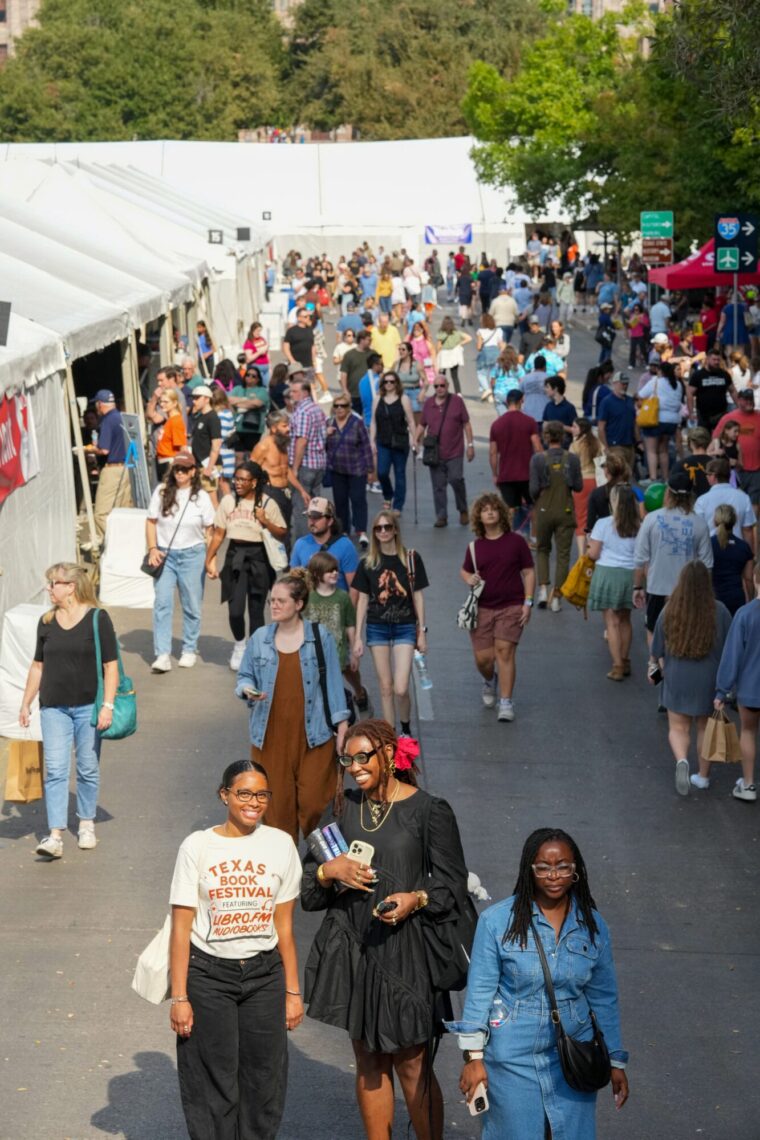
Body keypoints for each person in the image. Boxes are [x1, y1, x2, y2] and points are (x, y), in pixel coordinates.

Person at [302, 720, 470, 1140]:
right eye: (348, 759)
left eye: (364, 757)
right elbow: (309, 884)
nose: (354, 767)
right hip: (355, 947)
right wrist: (328, 870)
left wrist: (417, 898)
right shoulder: (343, 807)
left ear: (390, 755)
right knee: (370, 1060)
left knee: (412, 1061)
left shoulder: (430, 810)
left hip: (406, 951)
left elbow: (452, 884)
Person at [454, 827, 628, 1137]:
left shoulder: (592, 925)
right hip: (511, 1054)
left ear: (575, 871)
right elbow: (480, 991)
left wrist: (616, 1060)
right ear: (529, 870)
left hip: (575, 1052)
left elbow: (604, 997)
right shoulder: (496, 921)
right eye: (543, 867)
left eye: (563, 866)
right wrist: (473, 1058)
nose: (553, 875)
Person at [169, 758, 303, 1140]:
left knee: (265, 1079)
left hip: (265, 976)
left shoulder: (281, 844)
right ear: (224, 795)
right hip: (208, 976)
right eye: (244, 793)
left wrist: (293, 992)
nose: (253, 802)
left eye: (262, 794)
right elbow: (181, 929)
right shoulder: (197, 846)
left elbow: (285, 928)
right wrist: (180, 997)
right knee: (213, 1079)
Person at [235, 572, 350, 841]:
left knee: (315, 807)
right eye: (271, 600)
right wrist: (246, 689)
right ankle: (287, 876)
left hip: (315, 738)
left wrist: (342, 726)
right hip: (270, 740)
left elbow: (334, 682)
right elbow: (244, 677)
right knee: (276, 814)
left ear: (298, 604)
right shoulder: (260, 637)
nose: (273, 605)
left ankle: (319, 872)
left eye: (280, 600)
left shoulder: (320, 637)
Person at [19, 563, 118, 859]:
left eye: (54, 583)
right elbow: (38, 666)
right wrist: (25, 702)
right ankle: (55, 835)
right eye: (49, 584)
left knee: (87, 767)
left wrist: (107, 706)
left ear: (71, 587)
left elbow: (110, 666)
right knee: (56, 770)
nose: (49, 589)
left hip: (89, 706)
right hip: (53, 708)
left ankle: (86, 823)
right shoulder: (46, 621)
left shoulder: (98, 619)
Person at [649, 561, 732, 795]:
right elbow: (730, 647)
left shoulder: (670, 609)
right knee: (705, 728)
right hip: (709, 679)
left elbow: (656, 647)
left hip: (677, 676)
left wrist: (653, 665)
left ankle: (682, 761)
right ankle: (703, 776)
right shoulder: (720, 611)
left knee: (678, 727)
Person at [206, 461, 287, 671]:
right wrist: (209, 559)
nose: (238, 483)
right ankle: (240, 645)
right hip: (235, 556)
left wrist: (265, 521)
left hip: (260, 557)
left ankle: (255, 651)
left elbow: (282, 532)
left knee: (257, 611)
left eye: (243, 479)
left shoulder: (267, 503)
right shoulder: (229, 502)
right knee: (235, 610)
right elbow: (218, 534)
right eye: (237, 478)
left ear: (255, 482)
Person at [461, 493, 535, 723]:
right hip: (482, 608)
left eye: (494, 509)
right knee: (484, 659)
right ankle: (489, 679)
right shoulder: (475, 547)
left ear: (501, 513)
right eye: (485, 510)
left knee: (504, 651)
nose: (490, 512)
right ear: (479, 517)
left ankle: (506, 701)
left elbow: (529, 571)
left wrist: (528, 602)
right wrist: (468, 578)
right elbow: (464, 570)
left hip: (511, 606)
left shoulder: (516, 541)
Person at [353, 511, 428, 735]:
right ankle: (390, 734)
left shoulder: (411, 558)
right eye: (378, 528)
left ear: (395, 529)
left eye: (387, 527)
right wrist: (357, 636)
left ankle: (405, 727)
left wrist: (422, 632)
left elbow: (418, 596)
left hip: (405, 625)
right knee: (385, 687)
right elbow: (363, 599)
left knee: (401, 687)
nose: (383, 531)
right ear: (374, 533)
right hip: (377, 626)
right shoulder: (367, 562)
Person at [145, 454, 215, 672]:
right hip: (165, 555)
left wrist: (210, 559)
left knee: (192, 604)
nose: (180, 473)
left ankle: (189, 648)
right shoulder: (162, 491)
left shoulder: (201, 497)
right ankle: (162, 653)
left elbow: (210, 530)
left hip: (193, 554)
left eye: (185, 469)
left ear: (193, 471)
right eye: (177, 469)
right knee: (162, 603)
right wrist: (152, 548)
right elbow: (151, 521)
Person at [633, 472, 713, 646]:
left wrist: (637, 586)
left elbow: (640, 558)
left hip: (657, 588)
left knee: (653, 631)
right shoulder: (699, 523)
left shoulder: (651, 519)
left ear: (668, 493)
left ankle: (656, 668)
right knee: (683, 632)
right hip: (687, 590)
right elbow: (707, 565)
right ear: (691, 495)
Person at [713, 561, 760, 801]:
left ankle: (749, 784)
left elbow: (732, 655)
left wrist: (722, 691)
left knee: (749, 731)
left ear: (755, 580)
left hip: (751, 690)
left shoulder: (744, 614)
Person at [302, 553, 369, 712]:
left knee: (351, 673)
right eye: (329, 571)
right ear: (317, 574)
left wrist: (354, 651)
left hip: (339, 650)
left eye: (336, 570)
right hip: (315, 652)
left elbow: (349, 625)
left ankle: (359, 693)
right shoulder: (308, 598)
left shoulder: (342, 597)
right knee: (326, 689)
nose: (334, 573)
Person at [587, 484, 640, 680]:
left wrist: (588, 545)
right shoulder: (638, 526)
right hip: (630, 574)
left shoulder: (603, 524)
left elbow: (593, 553)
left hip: (607, 574)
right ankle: (626, 661)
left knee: (612, 622)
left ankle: (617, 665)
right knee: (626, 620)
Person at [529, 422, 583, 611]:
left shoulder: (537, 459)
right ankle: (557, 597)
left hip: (544, 511)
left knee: (543, 549)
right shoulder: (573, 459)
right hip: (565, 510)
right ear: (562, 437)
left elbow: (533, 490)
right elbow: (578, 486)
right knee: (563, 554)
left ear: (545, 437)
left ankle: (543, 588)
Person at [415, 375, 474, 528]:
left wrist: (471, 445)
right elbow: (422, 425)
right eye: (436, 386)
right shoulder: (428, 404)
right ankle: (441, 516)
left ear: (448, 386)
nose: (439, 388)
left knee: (456, 479)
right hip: (435, 453)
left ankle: (463, 509)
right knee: (438, 486)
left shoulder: (457, 401)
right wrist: (415, 439)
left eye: (442, 385)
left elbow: (466, 424)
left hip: (455, 451)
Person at [489, 389, 541, 532]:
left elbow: (493, 453)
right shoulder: (529, 422)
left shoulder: (497, 424)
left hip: (506, 474)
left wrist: (495, 474)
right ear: (521, 400)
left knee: (510, 508)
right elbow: (537, 447)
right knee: (533, 506)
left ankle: (509, 537)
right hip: (527, 474)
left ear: (507, 402)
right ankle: (534, 537)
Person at [85, 390, 133, 543]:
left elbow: (104, 449)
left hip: (113, 469)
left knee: (101, 513)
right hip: (127, 467)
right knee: (124, 511)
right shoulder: (121, 417)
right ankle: (129, 541)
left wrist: (90, 449)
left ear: (100, 404)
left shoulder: (106, 421)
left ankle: (117, 543)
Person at [325, 395, 373, 546]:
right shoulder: (329, 423)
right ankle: (343, 530)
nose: (339, 408)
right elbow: (322, 446)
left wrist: (371, 470)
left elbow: (366, 447)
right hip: (337, 470)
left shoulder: (357, 423)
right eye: (337, 405)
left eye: (343, 406)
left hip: (356, 470)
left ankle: (361, 531)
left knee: (358, 499)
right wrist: (325, 434)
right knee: (340, 501)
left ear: (349, 407)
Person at [371, 372, 417, 516]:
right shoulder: (378, 398)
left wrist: (415, 440)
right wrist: (371, 441)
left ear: (396, 383)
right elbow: (373, 421)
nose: (389, 384)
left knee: (400, 474)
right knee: (382, 472)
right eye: (386, 382)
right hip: (383, 441)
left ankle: (398, 506)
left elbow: (410, 420)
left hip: (400, 442)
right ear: (383, 384)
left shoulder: (404, 399)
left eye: (392, 381)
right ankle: (388, 494)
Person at [288, 376, 327, 540]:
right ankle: (318, 539)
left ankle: (304, 545)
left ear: (304, 392)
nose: (291, 394)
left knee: (301, 509)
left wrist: (295, 468)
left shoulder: (303, 412)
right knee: (315, 507)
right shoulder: (316, 408)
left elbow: (301, 441)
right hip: (318, 463)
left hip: (305, 465)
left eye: (295, 391)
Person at [291, 497, 359, 592]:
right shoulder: (300, 544)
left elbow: (354, 588)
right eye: (309, 516)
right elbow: (293, 583)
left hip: (337, 605)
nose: (312, 521)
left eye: (317, 517)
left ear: (330, 521)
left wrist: (351, 607)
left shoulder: (346, 546)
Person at [713, 389, 760, 519]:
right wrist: (718, 451)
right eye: (746, 399)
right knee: (733, 502)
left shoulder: (759, 416)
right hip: (734, 471)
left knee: (754, 502)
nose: (750, 402)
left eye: (751, 399)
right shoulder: (729, 417)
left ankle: (752, 532)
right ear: (739, 400)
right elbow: (716, 436)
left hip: (756, 469)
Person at [636, 361, 683, 482]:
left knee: (651, 450)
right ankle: (666, 478)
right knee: (664, 450)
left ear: (660, 371)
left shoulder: (655, 381)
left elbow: (641, 395)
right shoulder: (678, 384)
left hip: (656, 420)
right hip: (671, 422)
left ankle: (653, 478)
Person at [695, 458, 756, 551]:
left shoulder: (702, 501)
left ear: (713, 476)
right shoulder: (744, 497)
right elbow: (747, 530)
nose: (706, 477)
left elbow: (698, 532)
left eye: (707, 474)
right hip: (737, 553)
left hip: (711, 552)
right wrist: (750, 556)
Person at [709, 504, 754, 616]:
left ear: (715, 521)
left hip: (713, 598)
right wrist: (750, 601)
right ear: (735, 521)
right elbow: (748, 579)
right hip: (736, 599)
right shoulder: (744, 547)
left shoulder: (708, 544)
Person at [569, 417, 603, 556]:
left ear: (581, 429)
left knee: (580, 517)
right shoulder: (596, 442)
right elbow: (602, 461)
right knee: (593, 516)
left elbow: (570, 467)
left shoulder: (575, 445)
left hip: (581, 482)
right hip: (595, 481)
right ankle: (593, 550)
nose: (572, 429)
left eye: (574, 427)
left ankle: (582, 555)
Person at [687, 348, 737, 431]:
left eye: (718, 360)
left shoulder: (724, 374)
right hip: (703, 415)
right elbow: (689, 393)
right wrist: (691, 413)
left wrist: (739, 407)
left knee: (720, 439)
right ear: (707, 359)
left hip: (721, 414)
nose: (717, 362)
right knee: (704, 439)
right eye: (714, 359)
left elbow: (733, 391)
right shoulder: (698, 375)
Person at [597, 372, 637, 471]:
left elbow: (634, 423)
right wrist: (606, 448)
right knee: (619, 475)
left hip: (629, 445)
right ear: (614, 383)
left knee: (628, 475)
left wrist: (638, 441)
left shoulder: (630, 400)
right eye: (622, 383)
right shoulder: (607, 402)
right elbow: (601, 427)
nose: (625, 386)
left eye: (626, 384)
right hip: (615, 446)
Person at [228, 366, 270, 462]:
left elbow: (256, 403)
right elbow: (229, 400)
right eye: (248, 375)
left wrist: (238, 403)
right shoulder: (238, 388)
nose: (249, 377)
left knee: (251, 457)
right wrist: (246, 400)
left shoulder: (262, 391)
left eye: (253, 376)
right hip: (238, 428)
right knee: (238, 456)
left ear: (258, 379)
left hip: (253, 430)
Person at [189, 385, 222, 500]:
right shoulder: (201, 417)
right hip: (199, 464)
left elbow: (216, 444)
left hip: (207, 464)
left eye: (197, 398)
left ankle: (217, 519)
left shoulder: (212, 418)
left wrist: (210, 467)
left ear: (207, 399)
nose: (194, 401)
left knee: (211, 499)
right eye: (193, 398)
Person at [154, 389, 188, 480]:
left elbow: (182, 447)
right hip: (163, 461)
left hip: (170, 462)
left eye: (166, 402)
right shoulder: (170, 419)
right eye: (161, 401)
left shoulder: (176, 421)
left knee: (170, 492)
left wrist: (181, 468)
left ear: (174, 403)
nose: (162, 404)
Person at [670, 426, 711, 497]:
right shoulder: (717, 464)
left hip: (687, 505)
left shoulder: (680, 465)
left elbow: (673, 491)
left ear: (691, 443)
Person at [435, 316, 471, 395]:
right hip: (454, 356)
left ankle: (442, 391)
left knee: (442, 375)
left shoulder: (441, 333)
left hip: (444, 355)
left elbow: (438, 346)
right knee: (454, 376)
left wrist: (436, 356)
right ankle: (458, 393)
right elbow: (469, 338)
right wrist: (459, 344)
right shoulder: (457, 332)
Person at [340, 329, 373, 414]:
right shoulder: (349, 355)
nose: (371, 342)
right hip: (354, 393)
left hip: (369, 393)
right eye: (369, 340)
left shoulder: (373, 354)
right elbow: (344, 373)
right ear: (362, 340)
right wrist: (345, 390)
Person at [210, 388, 236, 496]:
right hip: (225, 453)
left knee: (223, 484)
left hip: (222, 454)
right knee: (221, 484)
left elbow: (222, 435)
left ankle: (229, 509)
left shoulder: (222, 415)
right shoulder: (227, 413)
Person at [475, 314, 504, 402]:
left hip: (485, 353)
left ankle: (488, 390)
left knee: (481, 373)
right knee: (492, 375)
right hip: (496, 353)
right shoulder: (498, 330)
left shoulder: (480, 331)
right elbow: (500, 344)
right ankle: (490, 396)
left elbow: (479, 347)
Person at [490, 345, 525, 416]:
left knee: (503, 417)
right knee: (514, 416)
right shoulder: (517, 367)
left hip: (500, 394)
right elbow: (522, 381)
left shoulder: (498, 366)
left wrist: (493, 392)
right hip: (514, 395)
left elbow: (493, 381)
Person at [541, 376, 577, 445]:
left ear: (555, 388)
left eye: (547, 387)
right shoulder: (548, 406)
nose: (545, 389)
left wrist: (558, 427)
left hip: (564, 445)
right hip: (549, 445)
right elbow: (544, 423)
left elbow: (575, 429)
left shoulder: (569, 407)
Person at [282, 307, 317, 376]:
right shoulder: (291, 331)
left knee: (310, 385)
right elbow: (285, 347)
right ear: (299, 318)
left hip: (309, 364)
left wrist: (314, 361)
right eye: (305, 316)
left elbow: (312, 346)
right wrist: (292, 360)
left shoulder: (310, 330)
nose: (308, 318)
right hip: (296, 365)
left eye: (309, 316)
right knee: (297, 385)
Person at [396, 340, 425, 420]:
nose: (400, 351)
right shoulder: (396, 364)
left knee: (417, 420)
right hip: (400, 393)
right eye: (399, 349)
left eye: (403, 349)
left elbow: (426, 381)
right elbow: (389, 377)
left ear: (409, 352)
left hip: (415, 392)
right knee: (400, 419)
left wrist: (422, 392)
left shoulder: (417, 365)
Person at [243, 321, 270, 386]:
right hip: (256, 367)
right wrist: (259, 352)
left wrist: (269, 364)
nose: (259, 333)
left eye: (260, 331)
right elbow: (249, 358)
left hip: (266, 367)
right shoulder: (249, 342)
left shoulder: (262, 339)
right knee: (259, 386)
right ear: (253, 330)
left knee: (267, 387)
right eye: (257, 331)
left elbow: (267, 352)